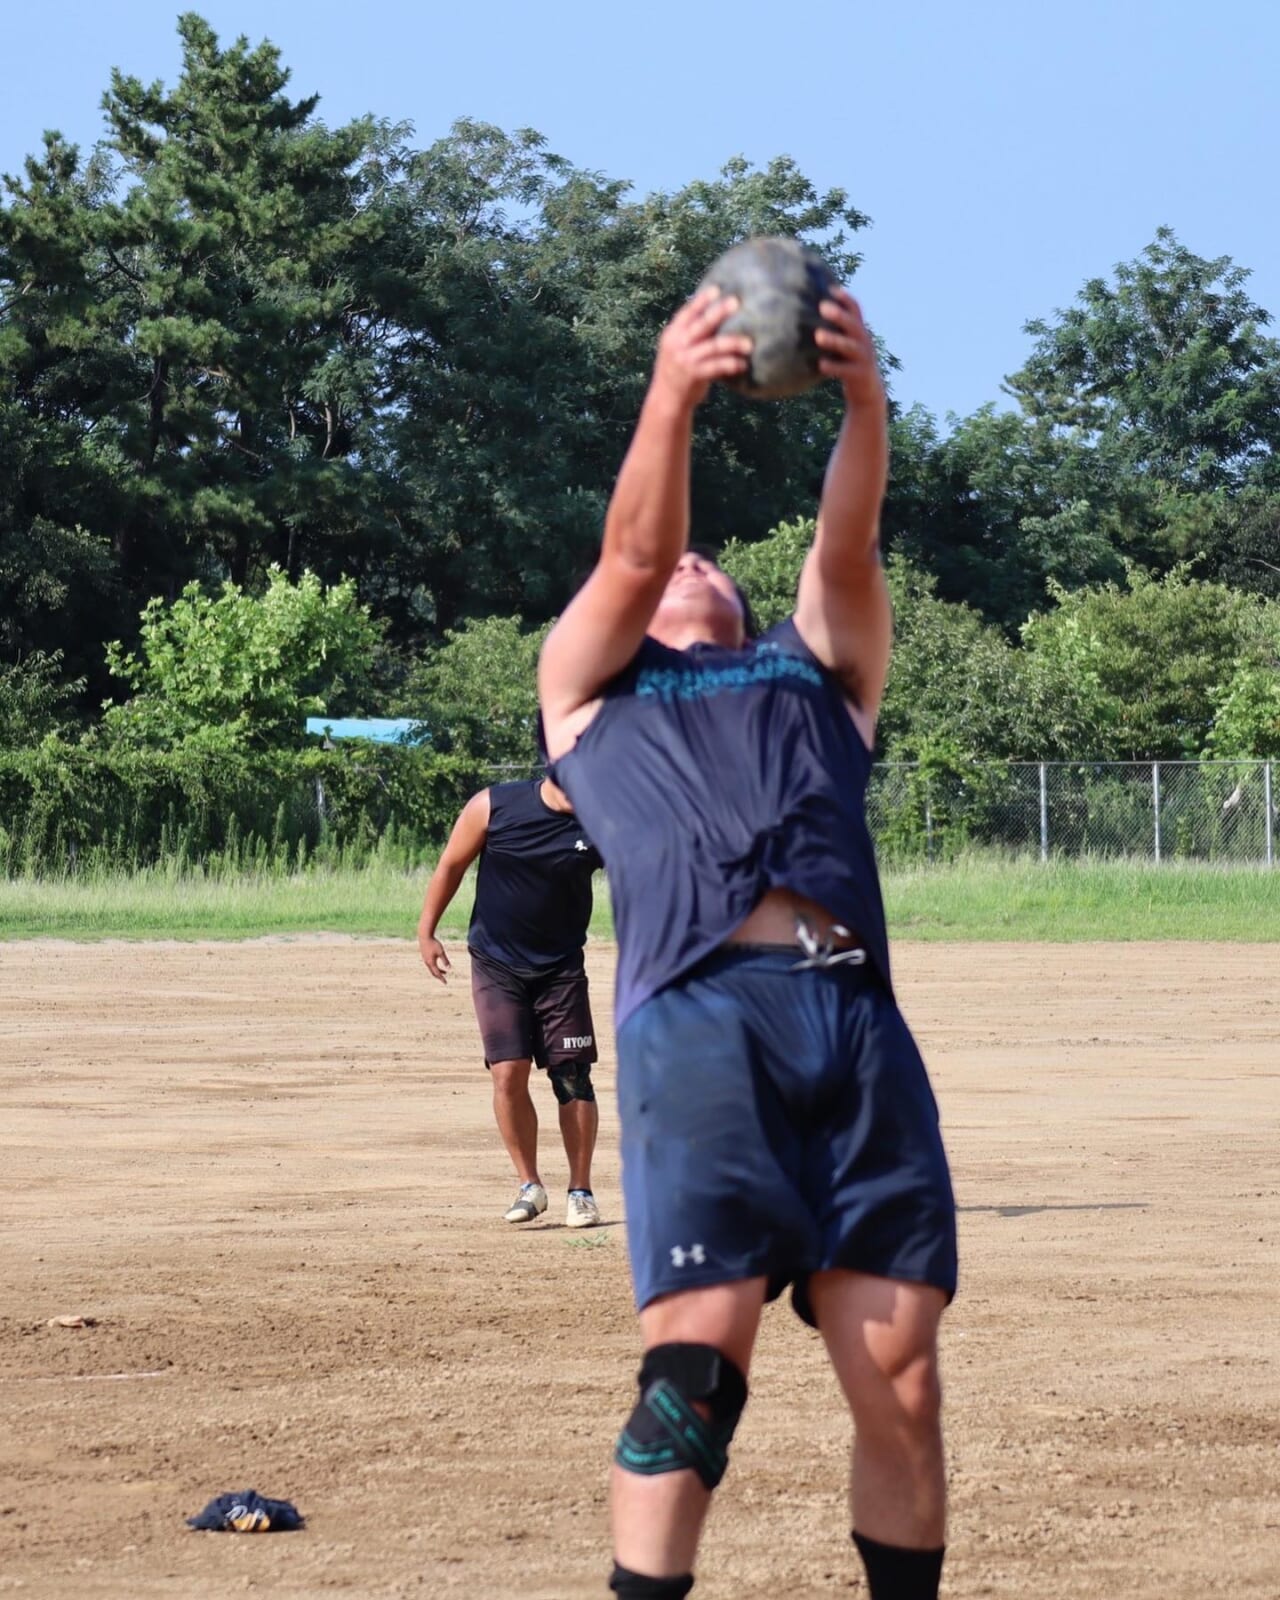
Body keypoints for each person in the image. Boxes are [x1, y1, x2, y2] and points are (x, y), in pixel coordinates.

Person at [538, 283, 957, 1599]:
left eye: (714, 560)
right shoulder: (592, 690)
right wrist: (672, 393)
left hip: (851, 1021)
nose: (693, 564)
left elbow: (846, 550)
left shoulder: (816, 669)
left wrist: (865, 404)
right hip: (701, 1023)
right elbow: (628, 556)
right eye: (679, 563)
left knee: (902, 1380)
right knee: (695, 1376)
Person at [418, 774, 605, 1228]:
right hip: (497, 962)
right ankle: (530, 1185)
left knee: (572, 1076)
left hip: (560, 966)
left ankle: (580, 1191)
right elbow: (450, 866)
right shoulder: (493, 806)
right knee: (507, 1073)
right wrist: (426, 931)